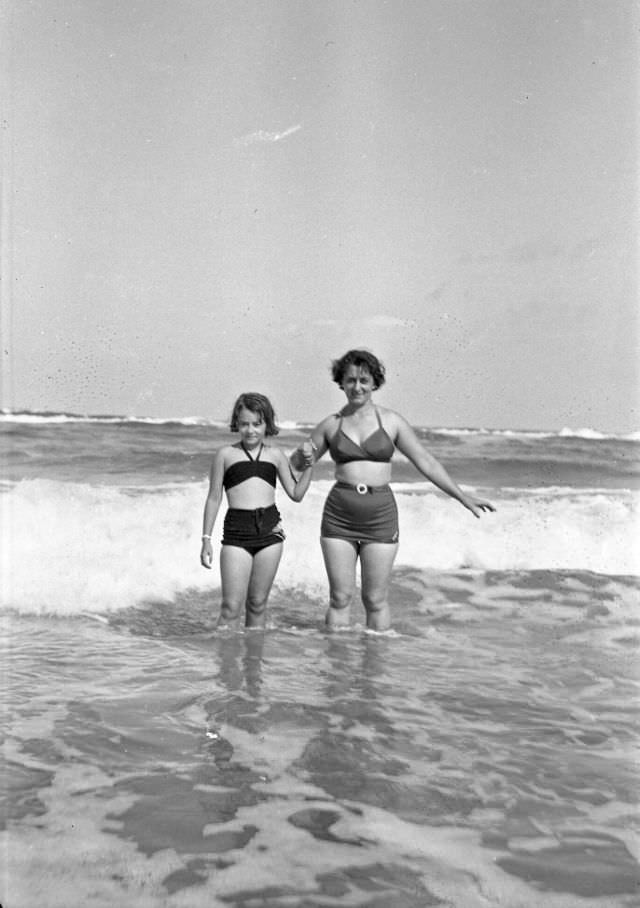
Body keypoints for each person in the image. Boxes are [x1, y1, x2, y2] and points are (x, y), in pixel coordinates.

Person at [291, 349, 495, 632]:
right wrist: (302, 456)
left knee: (374, 598)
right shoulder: (331, 424)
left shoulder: (391, 421)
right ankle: (337, 668)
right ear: (341, 383)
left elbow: (426, 461)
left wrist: (462, 496)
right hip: (339, 516)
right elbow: (296, 465)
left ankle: (373, 667)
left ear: (375, 382)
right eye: (350, 380)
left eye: (364, 380)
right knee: (340, 598)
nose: (357, 387)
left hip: (380, 516)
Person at [201, 392, 313, 628]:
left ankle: (253, 663)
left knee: (257, 603)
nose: (250, 430)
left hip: (270, 534)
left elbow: (296, 494)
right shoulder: (225, 455)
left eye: (257, 424)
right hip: (236, 535)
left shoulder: (275, 455)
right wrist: (206, 539)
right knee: (231, 607)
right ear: (236, 424)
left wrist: (310, 466)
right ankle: (226, 662)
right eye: (244, 424)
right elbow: (214, 498)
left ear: (267, 424)